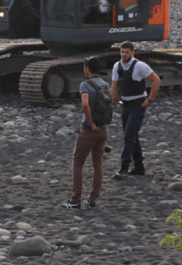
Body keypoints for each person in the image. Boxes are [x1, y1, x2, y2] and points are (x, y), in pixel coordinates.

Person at [61, 56, 109, 209]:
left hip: (89, 130)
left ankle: (75, 200)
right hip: (104, 129)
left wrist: (92, 123)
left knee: (78, 163)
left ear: (87, 69)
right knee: (98, 164)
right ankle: (92, 199)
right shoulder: (105, 84)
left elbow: (85, 105)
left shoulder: (85, 84)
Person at [111, 41, 161, 179]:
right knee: (132, 136)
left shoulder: (139, 66)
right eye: (122, 52)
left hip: (138, 105)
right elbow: (114, 87)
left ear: (133, 52)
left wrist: (150, 99)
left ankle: (124, 167)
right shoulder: (117, 66)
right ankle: (139, 166)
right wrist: (110, 105)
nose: (124, 55)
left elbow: (156, 80)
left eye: (127, 52)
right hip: (125, 105)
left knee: (128, 136)